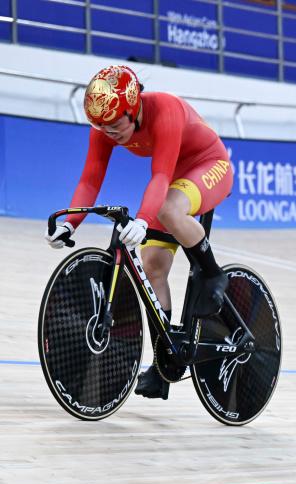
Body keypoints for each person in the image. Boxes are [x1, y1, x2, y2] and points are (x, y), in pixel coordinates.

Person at [47, 65, 233, 400]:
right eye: (100, 126)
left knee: (166, 209)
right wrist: (68, 223)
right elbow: (90, 179)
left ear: (134, 110)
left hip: (209, 164)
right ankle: (165, 365)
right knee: (153, 269)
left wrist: (144, 220)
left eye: (115, 124)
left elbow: (160, 178)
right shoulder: (105, 125)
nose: (108, 132)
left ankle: (213, 273)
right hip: (177, 175)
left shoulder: (166, 110)